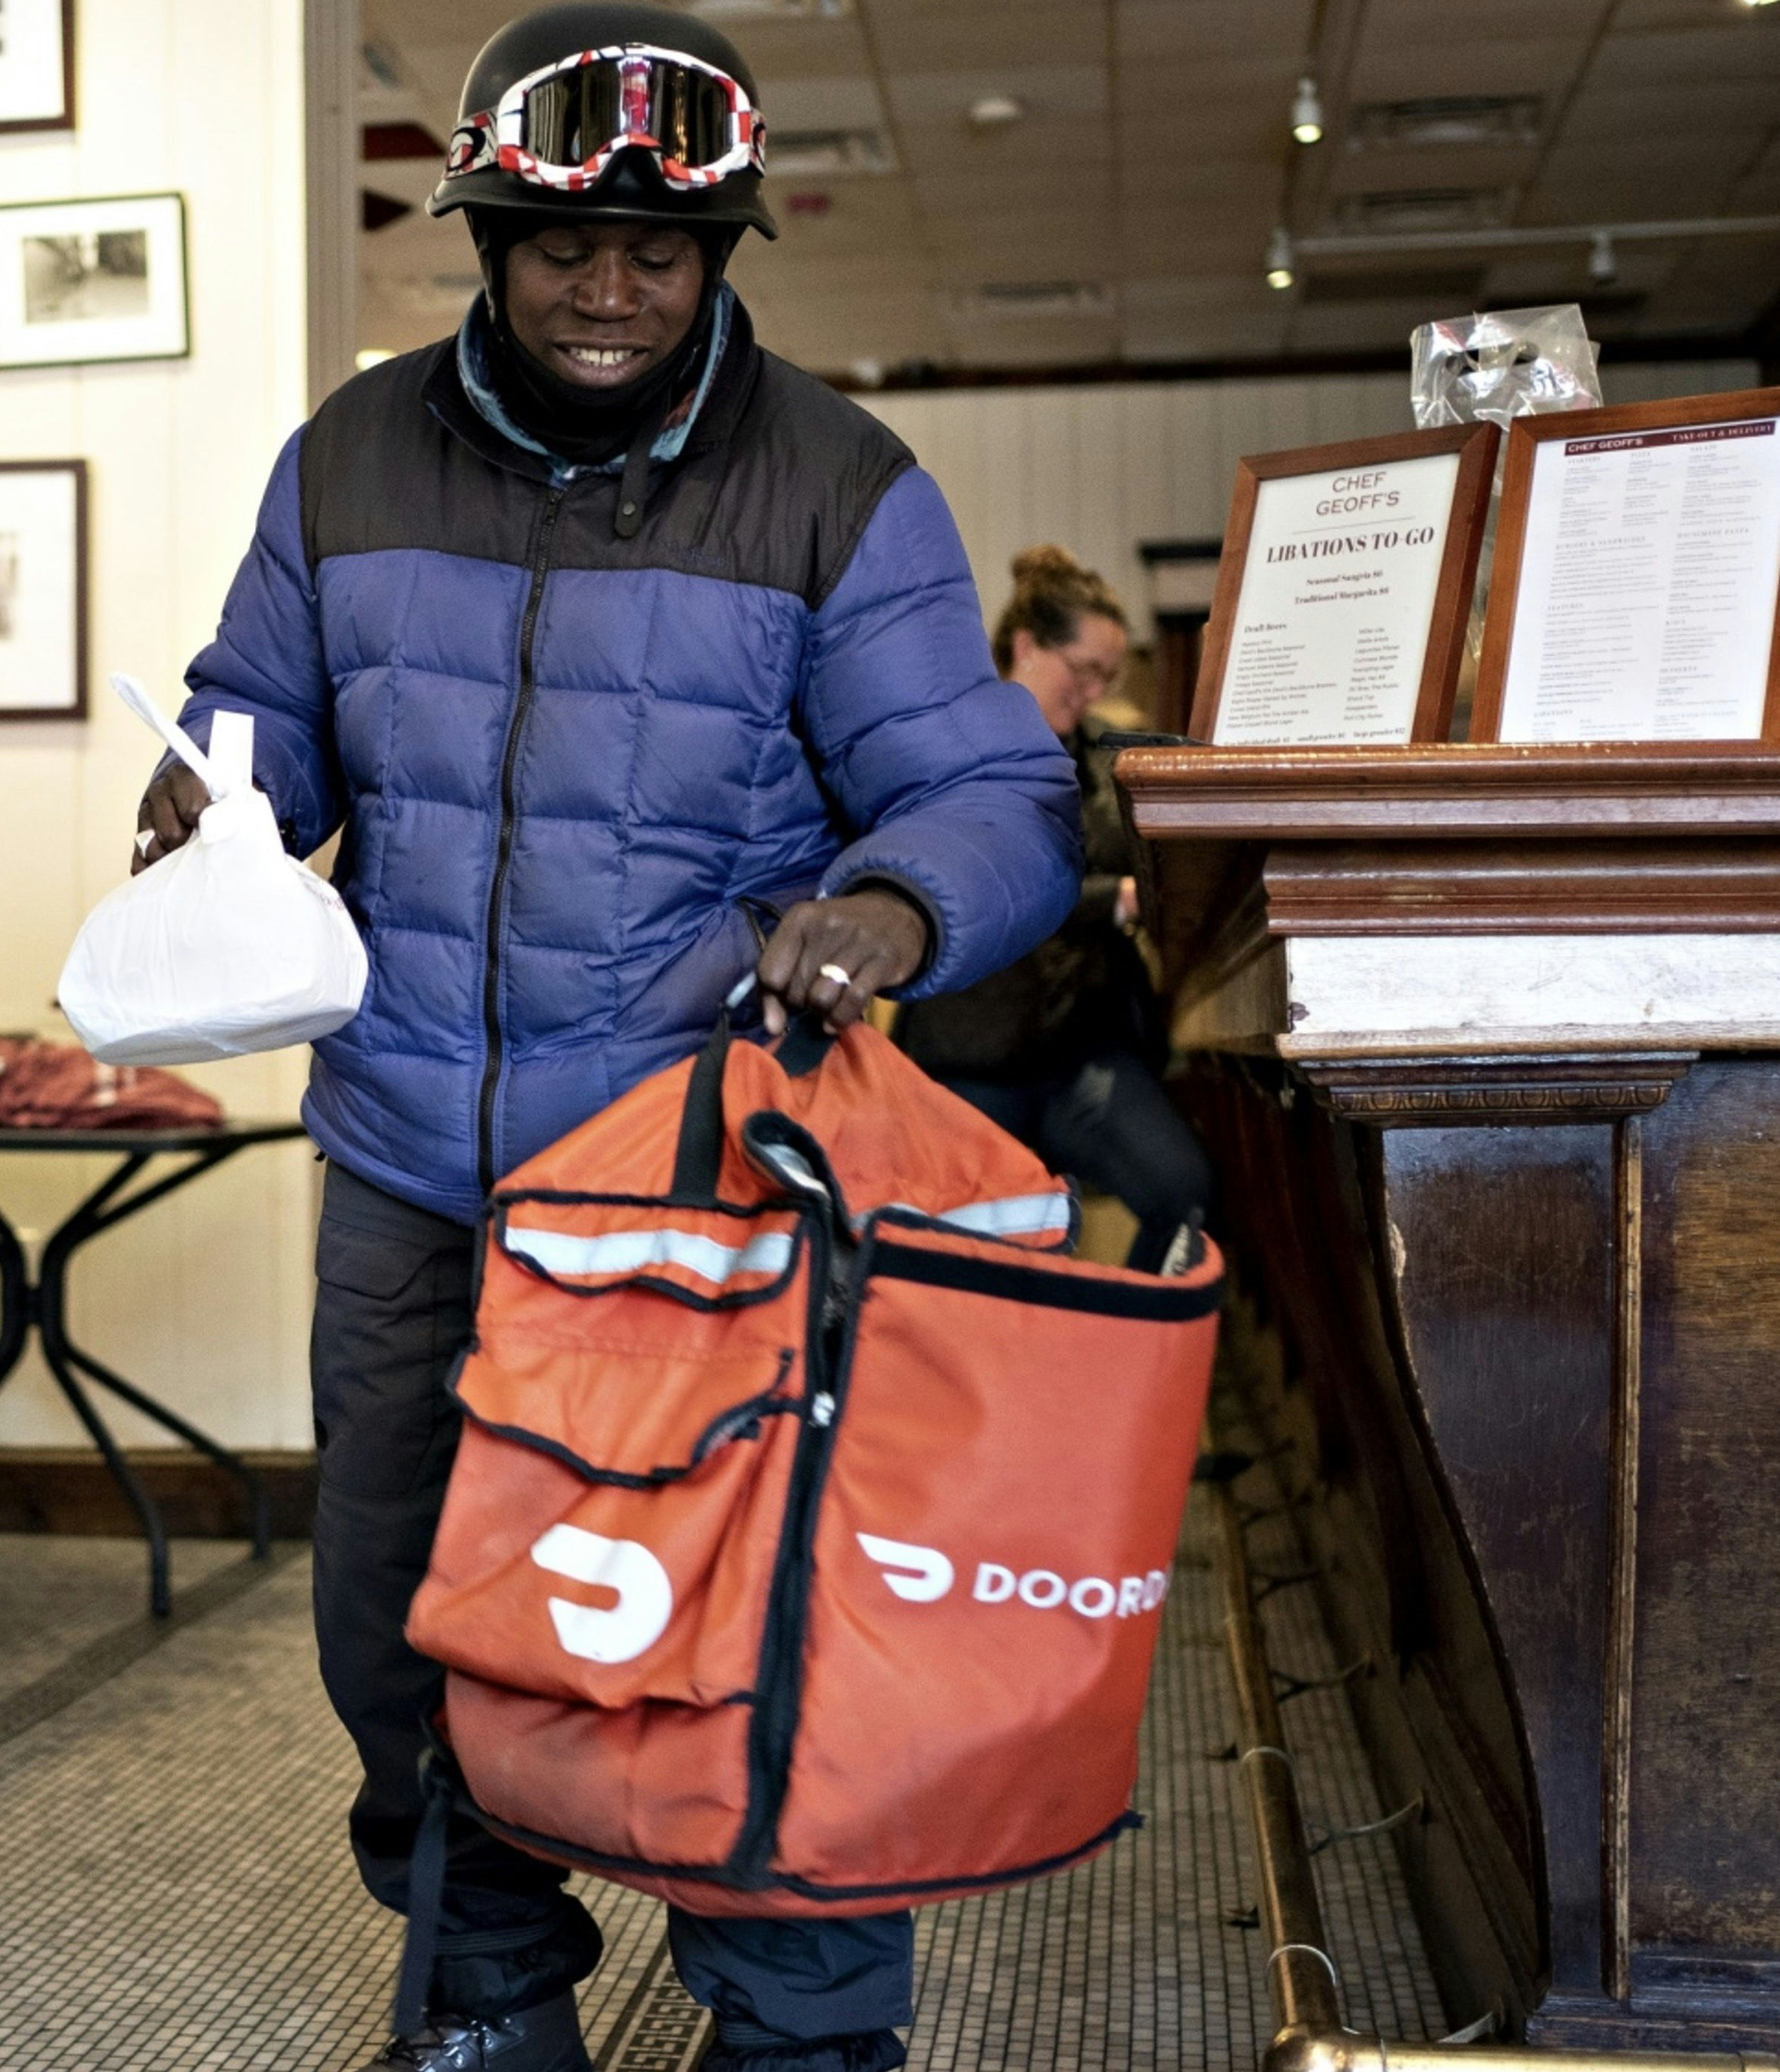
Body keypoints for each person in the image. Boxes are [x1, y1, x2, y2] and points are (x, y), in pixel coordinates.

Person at [127, 8, 1082, 2068]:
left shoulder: (838, 484)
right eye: (564, 242)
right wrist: (224, 796)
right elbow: (255, 712)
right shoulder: (353, 454)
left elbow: (995, 797)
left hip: (695, 1168)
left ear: (725, 248)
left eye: (663, 247)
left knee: (751, 1613)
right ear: (483, 230)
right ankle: (481, 1987)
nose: (610, 287)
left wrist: (892, 907)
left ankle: (799, 2027)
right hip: (409, 1161)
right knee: (403, 1615)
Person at [889, 546, 1213, 1273]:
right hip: (967, 1051)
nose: (1095, 691)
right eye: (1083, 670)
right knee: (972, 1248)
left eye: (1108, 675)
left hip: (1080, 1056)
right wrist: (1111, 902)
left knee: (1182, 1190)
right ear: (1027, 645)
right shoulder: (949, 749)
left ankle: (1117, 1354)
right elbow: (979, 877)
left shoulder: (1103, 762)